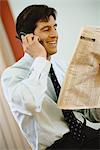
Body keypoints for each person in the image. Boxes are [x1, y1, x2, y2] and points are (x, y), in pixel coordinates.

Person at [1, 4, 100, 150]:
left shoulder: (63, 67)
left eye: (55, 27)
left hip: (88, 136)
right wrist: (40, 58)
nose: (54, 34)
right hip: (58, 146)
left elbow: (92, 115)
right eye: (46, 29)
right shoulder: (12, 76)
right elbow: (31, 103)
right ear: (27, 38)